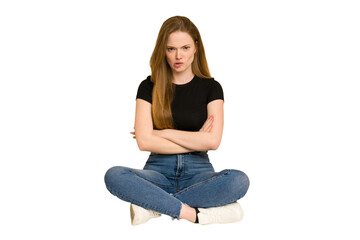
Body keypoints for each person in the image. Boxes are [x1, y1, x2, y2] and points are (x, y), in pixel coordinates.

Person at [104, 16, 250, 225]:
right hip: (157, 173)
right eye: (171, 49)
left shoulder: (211, 88)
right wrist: (196, 137)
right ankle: (195, 214)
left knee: (239, 180)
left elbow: (213, 142)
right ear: (163, 50)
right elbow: (144, 142)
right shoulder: (148, 87)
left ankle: (153, 206)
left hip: (199, 174)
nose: (178, 56)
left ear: (196, 48)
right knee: (114, 175)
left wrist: (159, 132)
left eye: (185, 47)